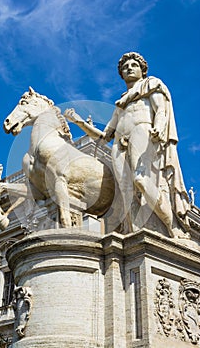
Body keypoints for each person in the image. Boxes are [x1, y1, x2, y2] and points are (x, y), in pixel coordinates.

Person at [64, 52, 190, 237]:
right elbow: (105, 136)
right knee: (126, 194)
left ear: (143, 70)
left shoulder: (150, 85)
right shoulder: (120, 103)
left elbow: (161, 109)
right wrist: (79, 122)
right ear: (121, 75)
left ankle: (172, 228)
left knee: (141, 180)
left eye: (134, 65)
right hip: (119, 143)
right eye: (125, 67)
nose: (129, 68)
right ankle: (135, 232)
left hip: (143, 132)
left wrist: (159, 127)